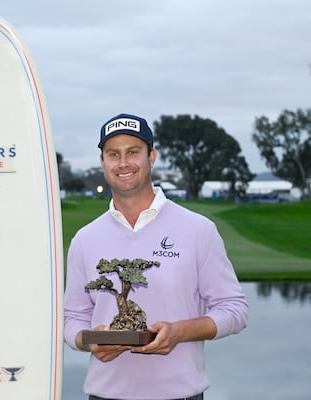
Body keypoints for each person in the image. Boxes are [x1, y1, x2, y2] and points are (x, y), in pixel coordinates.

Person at [64, 113, 249, 400]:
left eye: (133, 152)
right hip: (105, 395)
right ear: (103, 162)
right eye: (113, 154)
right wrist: (89, 340)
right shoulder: (85, 239)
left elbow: (234, 310)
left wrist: (179, 332)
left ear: (152, 157)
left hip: (180, 395)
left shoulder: (198, 229)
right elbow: (72, 318)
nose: (123, 163)